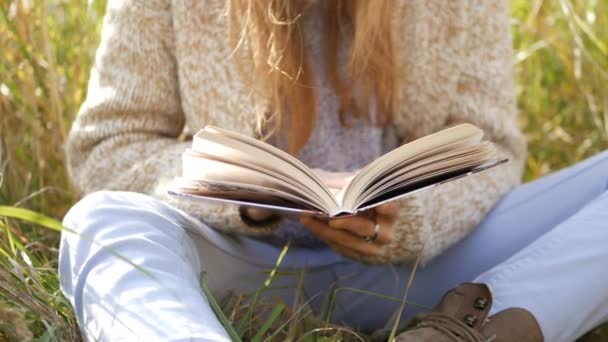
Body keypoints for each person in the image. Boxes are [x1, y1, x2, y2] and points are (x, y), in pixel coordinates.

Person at [58, 0, 608, 341]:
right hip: (241, 269)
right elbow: (108, 144)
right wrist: (237, 189)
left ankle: (470, 330)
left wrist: (411, 212)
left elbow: (489, 146)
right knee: (99, 225)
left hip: (423, 271)